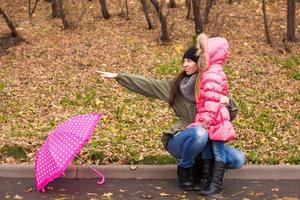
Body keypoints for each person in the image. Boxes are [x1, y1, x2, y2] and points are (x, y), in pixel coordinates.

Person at [97, 42, 244, 191]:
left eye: (189, 61)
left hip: (208, 138)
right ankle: (185, 169)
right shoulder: (176, 86)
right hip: (182, 137)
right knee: (200, 133)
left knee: (238, 159)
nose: (185, 65)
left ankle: (203, 170)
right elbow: (149, 85)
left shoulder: (210, 84)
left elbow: (228, 115)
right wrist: (120, 76)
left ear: (199, 63)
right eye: (184, 61)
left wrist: (228, 101)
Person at [188, 33, 237, 196]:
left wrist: (203, 123)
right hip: (212, 119)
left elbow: (211, 101)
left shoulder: (212, 73)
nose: (201, 55)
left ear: (212, 53)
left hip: (215, 120)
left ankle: (216, 184)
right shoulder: (211, 71)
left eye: (204, 51)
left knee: (218, 152)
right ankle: (207, 180)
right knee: (208, 151)